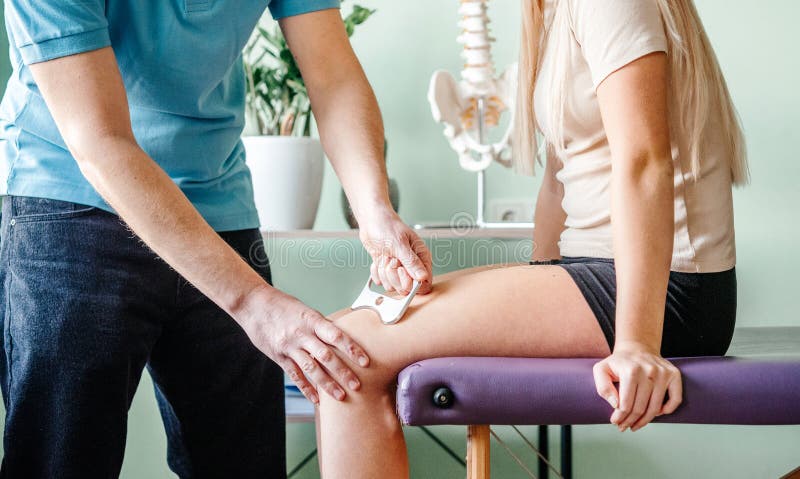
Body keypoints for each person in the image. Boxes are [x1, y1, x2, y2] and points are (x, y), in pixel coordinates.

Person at [0, 1, 432, 477]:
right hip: (72, 203)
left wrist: (374, 212)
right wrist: (251, 301)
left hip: (217, 205)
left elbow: (334, 78)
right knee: (62, 461)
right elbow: (101, 142)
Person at [318, 0, 748, 477]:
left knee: (346, 353)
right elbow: (557, 180)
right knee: (338, 334)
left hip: (668, 292)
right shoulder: (551, 12)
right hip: (596, 272)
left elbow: (644, 160)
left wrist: (638, 345)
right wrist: (532, 289)